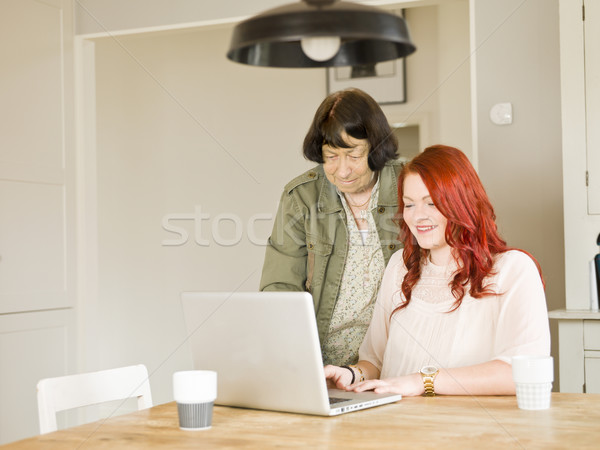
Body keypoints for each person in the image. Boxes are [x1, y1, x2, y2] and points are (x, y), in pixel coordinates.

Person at [324, 145, 550, 396]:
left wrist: (420, 381)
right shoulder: (400, 266)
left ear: (462, 203)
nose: (418, 216)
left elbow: (521, 373)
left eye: (431, 203)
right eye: (409, 205)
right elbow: (375, 361)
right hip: (392, 424)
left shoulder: (513, 270)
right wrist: (352, 374)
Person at [260, 88, 404, 366]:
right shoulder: (301, 196)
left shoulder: (409, 183)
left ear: (376, 147)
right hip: (322, 362)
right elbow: (279, 288)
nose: (342, 170)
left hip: (394, 361)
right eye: (331, 156)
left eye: (353, 155)